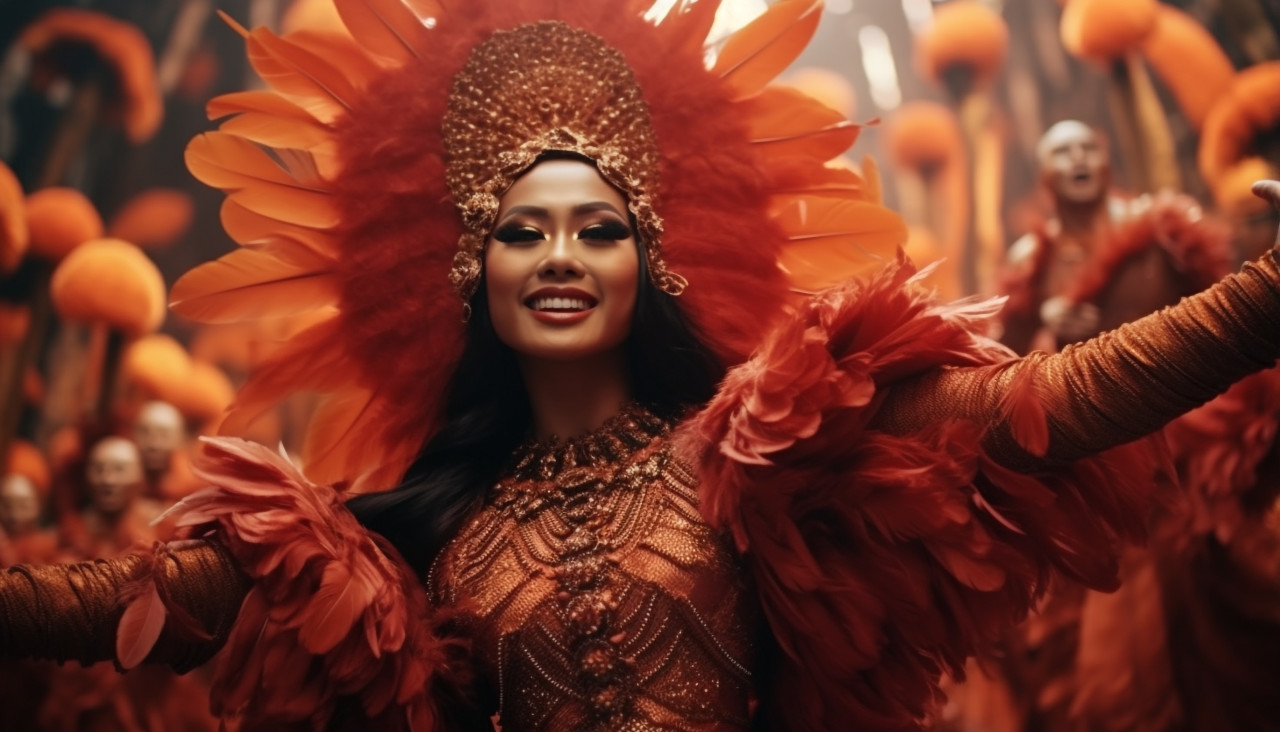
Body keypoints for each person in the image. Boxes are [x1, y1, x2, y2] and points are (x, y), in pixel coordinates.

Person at [1, 3, 1280, 731]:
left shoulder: (761, 454)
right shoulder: (410, 547)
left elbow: (1041, 407)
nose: (560, 254)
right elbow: (148, 599)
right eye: (522, 229)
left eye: (597, 227)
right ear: (474, 273)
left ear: (644, 267)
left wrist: (1260, 298)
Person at [998, 120, 1231, 354]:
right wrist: (1044, 321)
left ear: (1106, 166)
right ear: (1044, 176)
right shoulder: (1030, 259)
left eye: (1089, 148)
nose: (1079, 157)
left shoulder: (1159, 229)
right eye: (1062, 152)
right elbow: (1008, 355)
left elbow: (1218, 312)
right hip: (1086, 386)